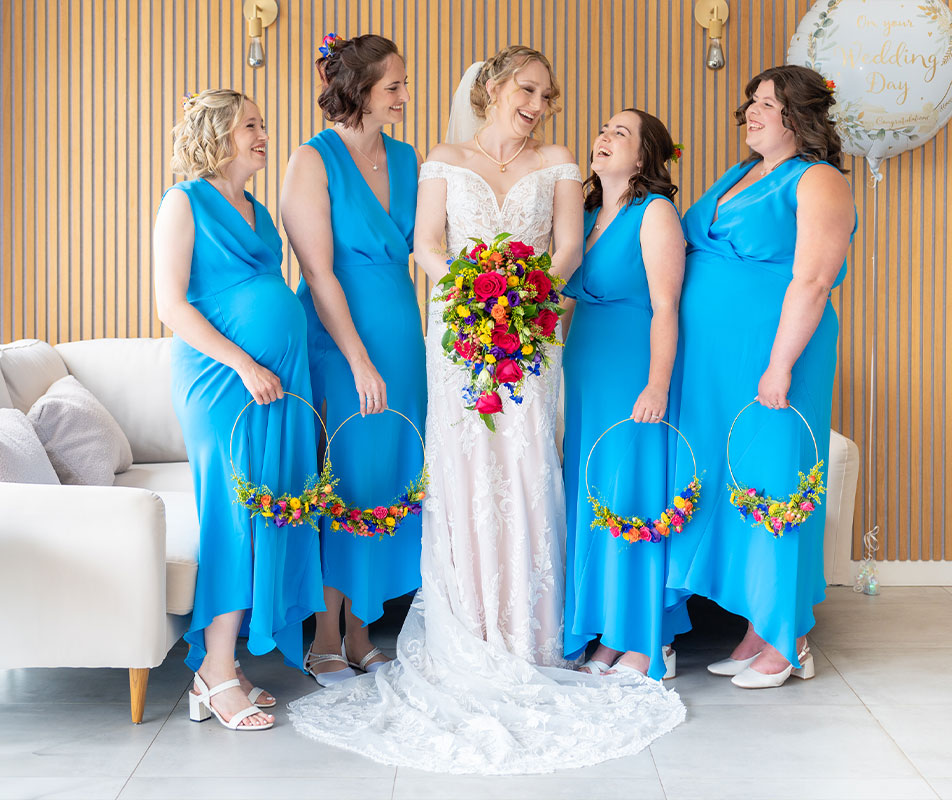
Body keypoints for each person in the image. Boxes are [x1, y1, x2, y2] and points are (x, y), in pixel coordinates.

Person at [289, 47, 685, 773]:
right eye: (527, 90)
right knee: (464, 474)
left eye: (547, 94)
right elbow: (427, 246)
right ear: (495, 88)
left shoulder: (563, 161)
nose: (537, 105)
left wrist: (523, 290)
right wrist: (475, 289)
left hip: (529, 336)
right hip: (458, 337)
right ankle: (465, 629)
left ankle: (530, 635)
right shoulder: (439, 158)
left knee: (528, 469)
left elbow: (568, 247)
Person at [666, 65, 856, 688]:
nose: (752, 111)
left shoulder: (819, 179)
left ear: (798, 117)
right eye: (752, 102)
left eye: (767, 104)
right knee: (727, 479)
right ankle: (756, 625)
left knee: (773, 478)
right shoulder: (741, 173)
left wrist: (779, 365)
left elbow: (813, 279)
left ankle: (789, 635)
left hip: (775, 354)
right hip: (713, 364)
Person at [154, 89, 324, 730]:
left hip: (277, 383)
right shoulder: (183, 202)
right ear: (219, 133)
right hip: (223, 382)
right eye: (251, 125)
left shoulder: (255, 210)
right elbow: (172, 306)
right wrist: (245, 362)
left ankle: (223, 661)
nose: (263, 134)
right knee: (235, 511)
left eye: (262, 123)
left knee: (271, 507)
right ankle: (214, 670)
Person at [280, 34, 426, 686]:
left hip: (403, 338)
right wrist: (360, 361)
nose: (402, 95)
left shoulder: (407, 157)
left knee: (389, 480)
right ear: (360, 90)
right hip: (342, 344)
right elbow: (319, 271)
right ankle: (327, 636)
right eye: (393, 85)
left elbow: (428, 248)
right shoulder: (312, 161)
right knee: (347, 481)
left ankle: (364, 627)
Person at [562, 109, 690, 681]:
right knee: (593, 499)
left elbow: (667, 307)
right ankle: (607, 635)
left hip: (633, 372)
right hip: (584, 372)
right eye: (603, 129)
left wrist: (657, 384)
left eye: (621, 133)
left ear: (643, 157)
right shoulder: (585, 214)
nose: (604, 137)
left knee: (631, 497)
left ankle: (642, 638)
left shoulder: (655, 212)